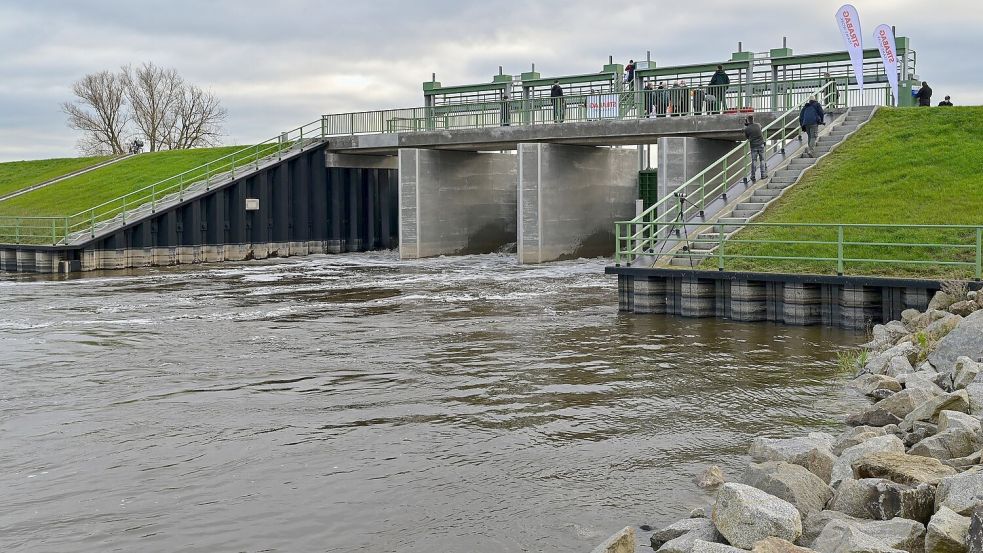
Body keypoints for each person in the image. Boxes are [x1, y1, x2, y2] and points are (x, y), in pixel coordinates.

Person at [744, 115, 767, 182]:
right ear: (753, 119)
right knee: (762, 160)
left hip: (753, 146)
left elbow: (747, 137)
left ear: (747, 120)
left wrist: (747, 126)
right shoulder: (758, 125)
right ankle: (763, 175)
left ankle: (753, 176)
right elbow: (760, 128)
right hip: (761, 144)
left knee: (754, 161)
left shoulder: (747, 129)